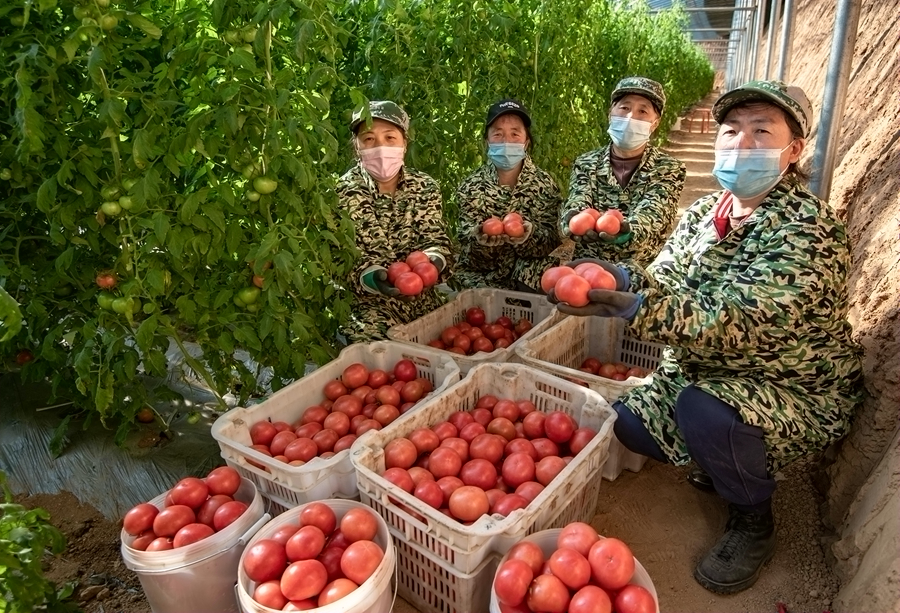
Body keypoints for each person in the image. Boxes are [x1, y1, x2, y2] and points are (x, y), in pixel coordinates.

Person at [549, 81, 863, 594]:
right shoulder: (703, 214)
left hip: (790, 385)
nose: (741, 143)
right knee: (628, 423)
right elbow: (665, 278)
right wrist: (622, 280)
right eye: (731, 130)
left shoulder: (810, 228)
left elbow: (743, 320)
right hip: (706, 370)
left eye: (762, 132)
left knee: (704, 412)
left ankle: (752, 519)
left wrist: (636, 305)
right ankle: (721, 462)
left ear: (794, 150)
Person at [337, 100, 452, 344]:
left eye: (390, 138)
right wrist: (372, 277)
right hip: (369, 305)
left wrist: (433, 262)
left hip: (422, 295)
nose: (379, 146)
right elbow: (346, 259)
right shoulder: (343, 192)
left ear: (404, 143)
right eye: (368, 139)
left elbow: (435, 237)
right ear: (356, 147)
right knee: (373, 344)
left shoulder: (425, 186)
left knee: (449, 339)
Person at [561, 77, 685, 266]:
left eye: (642, 111)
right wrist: (572, 218)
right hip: (587, 270)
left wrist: (627, 230)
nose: (631, 117)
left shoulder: (668, 168)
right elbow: (578, 199)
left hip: (640, 274)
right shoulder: (586, 162)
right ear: (611, 114)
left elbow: (654, 213)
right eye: (624, 108)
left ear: (655, 123)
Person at [453, 99, 563, 292]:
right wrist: (481, 242)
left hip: (529, 274)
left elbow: (551, 240)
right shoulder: (470, 187)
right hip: (483, 274)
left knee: (545, 275)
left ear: (526, 142)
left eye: (515, 134)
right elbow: (467, 247)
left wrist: (528, 236)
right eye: (498, 134)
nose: (506, 141)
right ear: (487, 141)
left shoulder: (545, 185)